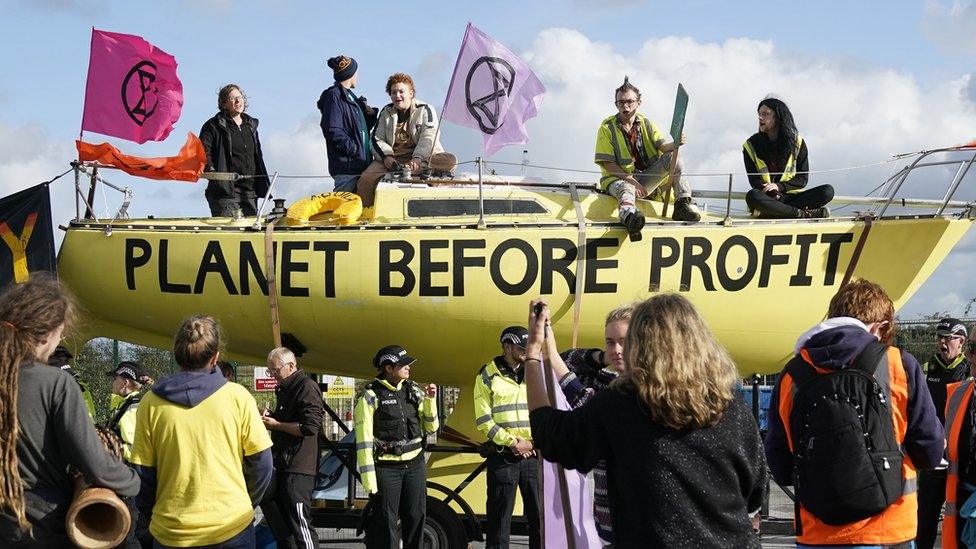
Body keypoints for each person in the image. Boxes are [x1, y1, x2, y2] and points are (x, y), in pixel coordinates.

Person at [526, 295, 766, 547]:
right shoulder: (730, 404)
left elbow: (551, 435)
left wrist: (533, 354)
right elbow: (754, 491)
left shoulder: (624, 403)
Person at [765, 279, 944, 548]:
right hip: (888, 530)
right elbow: (929, 451)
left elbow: (780, 465)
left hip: (817, 533)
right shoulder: (898, 363)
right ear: (879, 326)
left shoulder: (792, 374)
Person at [0, 275, 140, 545]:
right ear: (48, 333)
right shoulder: (55, 382)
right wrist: (132, 481)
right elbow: (96, 464)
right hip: (39, 527)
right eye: (61, 332)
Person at [130, 315, 273, 547]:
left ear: (177, 354)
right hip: (231, 528)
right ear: (216, 357)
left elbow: (142, 473)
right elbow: (263, 465)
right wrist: (244, 501)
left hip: (172, 532)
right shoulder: (238, 397)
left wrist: (156, 512)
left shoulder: (151, 403)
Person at [543, 304, 632, 544]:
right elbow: (568, 361)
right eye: (610, 342)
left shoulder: (650, 392)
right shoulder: (606, 381)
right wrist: (601, 357)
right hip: (609, 516)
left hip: (641, 520)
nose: (617, 349)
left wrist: (550, 355)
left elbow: (585, 401)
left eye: (624, 341)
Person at [354, 345, 438, 549]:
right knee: (387, 522)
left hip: (415, 466)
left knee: (416, 517)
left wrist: (431, 400)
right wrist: (369, 482)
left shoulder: (414, 391)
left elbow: (431, 426)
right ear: (388, 368)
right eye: (403, 364)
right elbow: (363, 442)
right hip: (387, 469)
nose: (409, 367)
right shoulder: (370, 396)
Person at [594, 76, 700, 238]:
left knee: (674, 159)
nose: (625, 106)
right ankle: (629, 216)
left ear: (638, 103)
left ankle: (682, 204)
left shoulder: (646, 123)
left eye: (629, 101)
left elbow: (663, 147)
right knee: (626, 188)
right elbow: (608, 164)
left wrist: (675, 143)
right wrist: (633, 181)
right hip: (617, 179)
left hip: (645, 180)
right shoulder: (607, 127)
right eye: (621, 102)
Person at [473, 327, 541, 549]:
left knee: (540, 519)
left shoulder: (534, 372)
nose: (525, 351)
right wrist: (513, 443)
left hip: (531, 456)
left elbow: (544, 411)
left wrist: (531, 444)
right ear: (506, 347)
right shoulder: (486, 376)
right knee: (499, 521)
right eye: (520, 347)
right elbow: (484, 421)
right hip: (503, 458)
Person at [356, 73, 457, 207]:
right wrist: (386, 157)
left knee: (450, 160)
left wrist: (418, 158)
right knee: (366, 179)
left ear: (411, 93)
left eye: (401, 91)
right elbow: (376, 139)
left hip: (421, 159)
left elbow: (429, 136)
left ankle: (411, 172)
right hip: (393, 160)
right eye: (393, 92)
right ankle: (364, 212)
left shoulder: (426, 109)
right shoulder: (386, 112)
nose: (397, 96)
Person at [260, 347, 324, 549]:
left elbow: (310, 427)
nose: (273, 375)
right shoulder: (285, 389)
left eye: (275, 370)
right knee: (284, 528)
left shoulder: (306, 386)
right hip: (284, 466)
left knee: (300, 525)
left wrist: (275, 425)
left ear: (291, 366)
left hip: (299, 469)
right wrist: (273, 417)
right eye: (269, 371)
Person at [917, 318, 971, 549]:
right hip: (935, 451)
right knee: (926, 512)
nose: (942, 342)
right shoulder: (929, 367)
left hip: (962, 454)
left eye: (947, 338)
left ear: (962, 342)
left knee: (959, 512)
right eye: (939, 337)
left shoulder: (969, 368)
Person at [742, 96, 833, 219]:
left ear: (778, 117)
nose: (760, 117)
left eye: (765, 114)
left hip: (790, 198)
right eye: (759, 114)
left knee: (827, 191)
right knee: (752, 195)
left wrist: (779, 186)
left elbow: (802, 179)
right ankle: (801, 214)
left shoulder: (798, 143)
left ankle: (776, 212)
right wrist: (773, 192)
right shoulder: (750, 145)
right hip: (768, 198)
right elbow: (754, 181)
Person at [200, 84, 271, 217]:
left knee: (250, 233)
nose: (238, 101)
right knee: (231, 232)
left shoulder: (251, 126)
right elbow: (202, 151)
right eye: (233, 99)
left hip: (250, 191)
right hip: (225, 192)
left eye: (240, 97)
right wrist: (213, 173)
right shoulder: (212, 125)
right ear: (224, 104)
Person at [317, 55, 378, 194]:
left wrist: (370, 114)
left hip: (362, 168)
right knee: (343, 213)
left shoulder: (352, 98)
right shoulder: (334, 96)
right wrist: (355, 149)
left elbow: (361, 129)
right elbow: (332, 130)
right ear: (351, 73)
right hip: (347, 170)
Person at [942, 325, 976, 549]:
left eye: (974, 348)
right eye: (971, 348)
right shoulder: (958, 395)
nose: (970, 356)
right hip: (965, 511)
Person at [105, 360, 148, 462]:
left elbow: (134, 448)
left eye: (115, 378)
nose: (112, 382)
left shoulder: (131, 409)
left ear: (125, 383)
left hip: (128, 469)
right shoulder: (127, 403)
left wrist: (108, 447)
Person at [48, 344, 96, 418]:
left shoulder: (80, 386)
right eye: (60, 360)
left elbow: (89, 416)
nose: (63, 363)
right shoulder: (42, 386)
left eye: (66, 361)